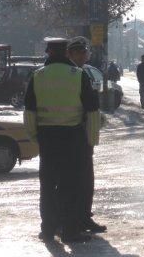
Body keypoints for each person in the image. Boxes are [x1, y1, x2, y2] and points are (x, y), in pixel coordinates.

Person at [23, 37, 100, 243]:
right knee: (71, 185)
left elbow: (29, 110)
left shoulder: (37, 76)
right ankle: (70, 231)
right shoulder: (78, 75)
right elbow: (92, 111)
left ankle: (48, 230)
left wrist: (35, 135)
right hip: (73, 138)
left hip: (47, 139)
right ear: (67, 53)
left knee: (48, 186)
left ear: (48, 53)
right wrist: (91, 141)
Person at [67, 36, 106, 234]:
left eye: (85, 52)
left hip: (68, 134)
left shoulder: (81, 73)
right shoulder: (74, 74)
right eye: (79, 52)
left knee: (83, 180)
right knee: (80, 180)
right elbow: (90, 106)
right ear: (70, 54)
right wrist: (92, 137)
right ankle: (78, 219)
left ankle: (82, 217)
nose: (83, 55)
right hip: (77, 134)